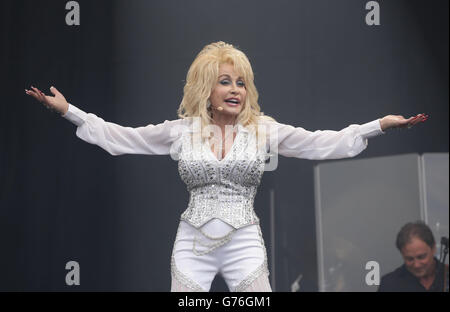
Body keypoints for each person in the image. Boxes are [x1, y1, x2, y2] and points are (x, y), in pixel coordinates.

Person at [25, 41, 428, 292]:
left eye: (240, 82)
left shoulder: (262, 130)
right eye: (225, 81)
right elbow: (120, 137)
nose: (235, 90)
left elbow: (323, 143)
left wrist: (378, 126)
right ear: (206, 89)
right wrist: (69, 112)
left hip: (243, 241)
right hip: (192, 242)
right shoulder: (182, 131)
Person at [378, 221, 449, 292]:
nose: (416, 265)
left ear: (433, 249)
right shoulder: (389, 284)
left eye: (421, 257)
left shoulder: (446, 274)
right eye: (410, 259)